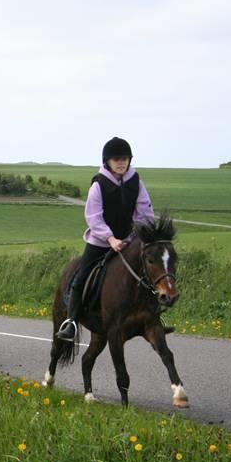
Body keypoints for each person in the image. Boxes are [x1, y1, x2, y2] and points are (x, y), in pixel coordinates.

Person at [56, 137, 173, 341]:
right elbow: (94, 216)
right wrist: (110, 239)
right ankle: (72, 322)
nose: (121, 162)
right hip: (100, 241)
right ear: (107, 161)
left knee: (147, 272)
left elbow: (144, 212)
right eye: (116, 159)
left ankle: (154, 318)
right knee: (81, 276)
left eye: (125, 158)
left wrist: (138, 236)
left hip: (129, 240)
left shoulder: (136, 182)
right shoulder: (98, 185)